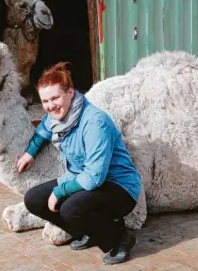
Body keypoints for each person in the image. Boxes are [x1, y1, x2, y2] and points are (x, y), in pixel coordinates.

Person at [17, 62, 142, 265]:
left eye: (55, 98)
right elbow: (44, 129)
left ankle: (120, 238)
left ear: (71, 93)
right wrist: (29, 153)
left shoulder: (94, 122)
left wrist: (59, 192)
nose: (50, 106)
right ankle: (89, 231)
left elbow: (94, 177)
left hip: (118, 187)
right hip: (82, 178)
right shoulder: (59, 116)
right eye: (45, 101)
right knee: (33, 199)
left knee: (70, 208)